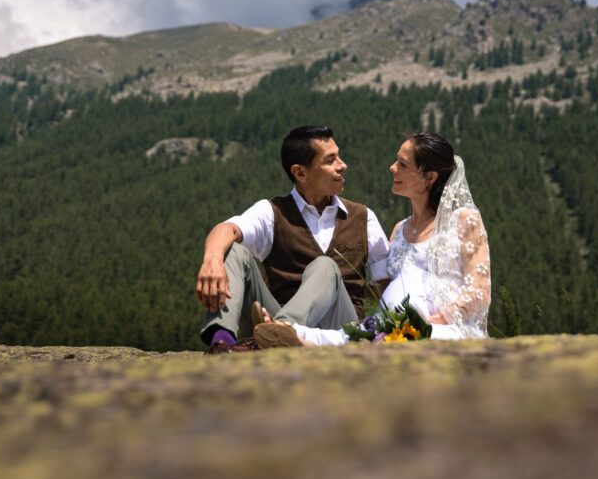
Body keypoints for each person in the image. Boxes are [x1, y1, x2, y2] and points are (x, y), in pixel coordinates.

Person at [268, 132, 490, 346]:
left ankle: (300, 338)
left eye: (402, 164)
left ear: (429, 177)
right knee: (348, 336)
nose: (392, 168)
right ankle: (289, 333)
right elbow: (380, 287)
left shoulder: (463, 221)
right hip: (394, 329)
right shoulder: (399, 229)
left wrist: (428, 323)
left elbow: (480, 293)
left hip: (443, 329)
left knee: (381, 340)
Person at [196, 125, 390, 353]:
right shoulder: (272, 212)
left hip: (338, 329)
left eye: (339, 156)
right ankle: (222, 343)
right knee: (231, 250)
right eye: (330, 160)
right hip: (270, 318)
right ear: (300, 173)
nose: (342, 165)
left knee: (325, 266)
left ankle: (279, 330)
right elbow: (227, 229)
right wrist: (212, 261)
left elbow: (385, 284)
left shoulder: (363, 217)